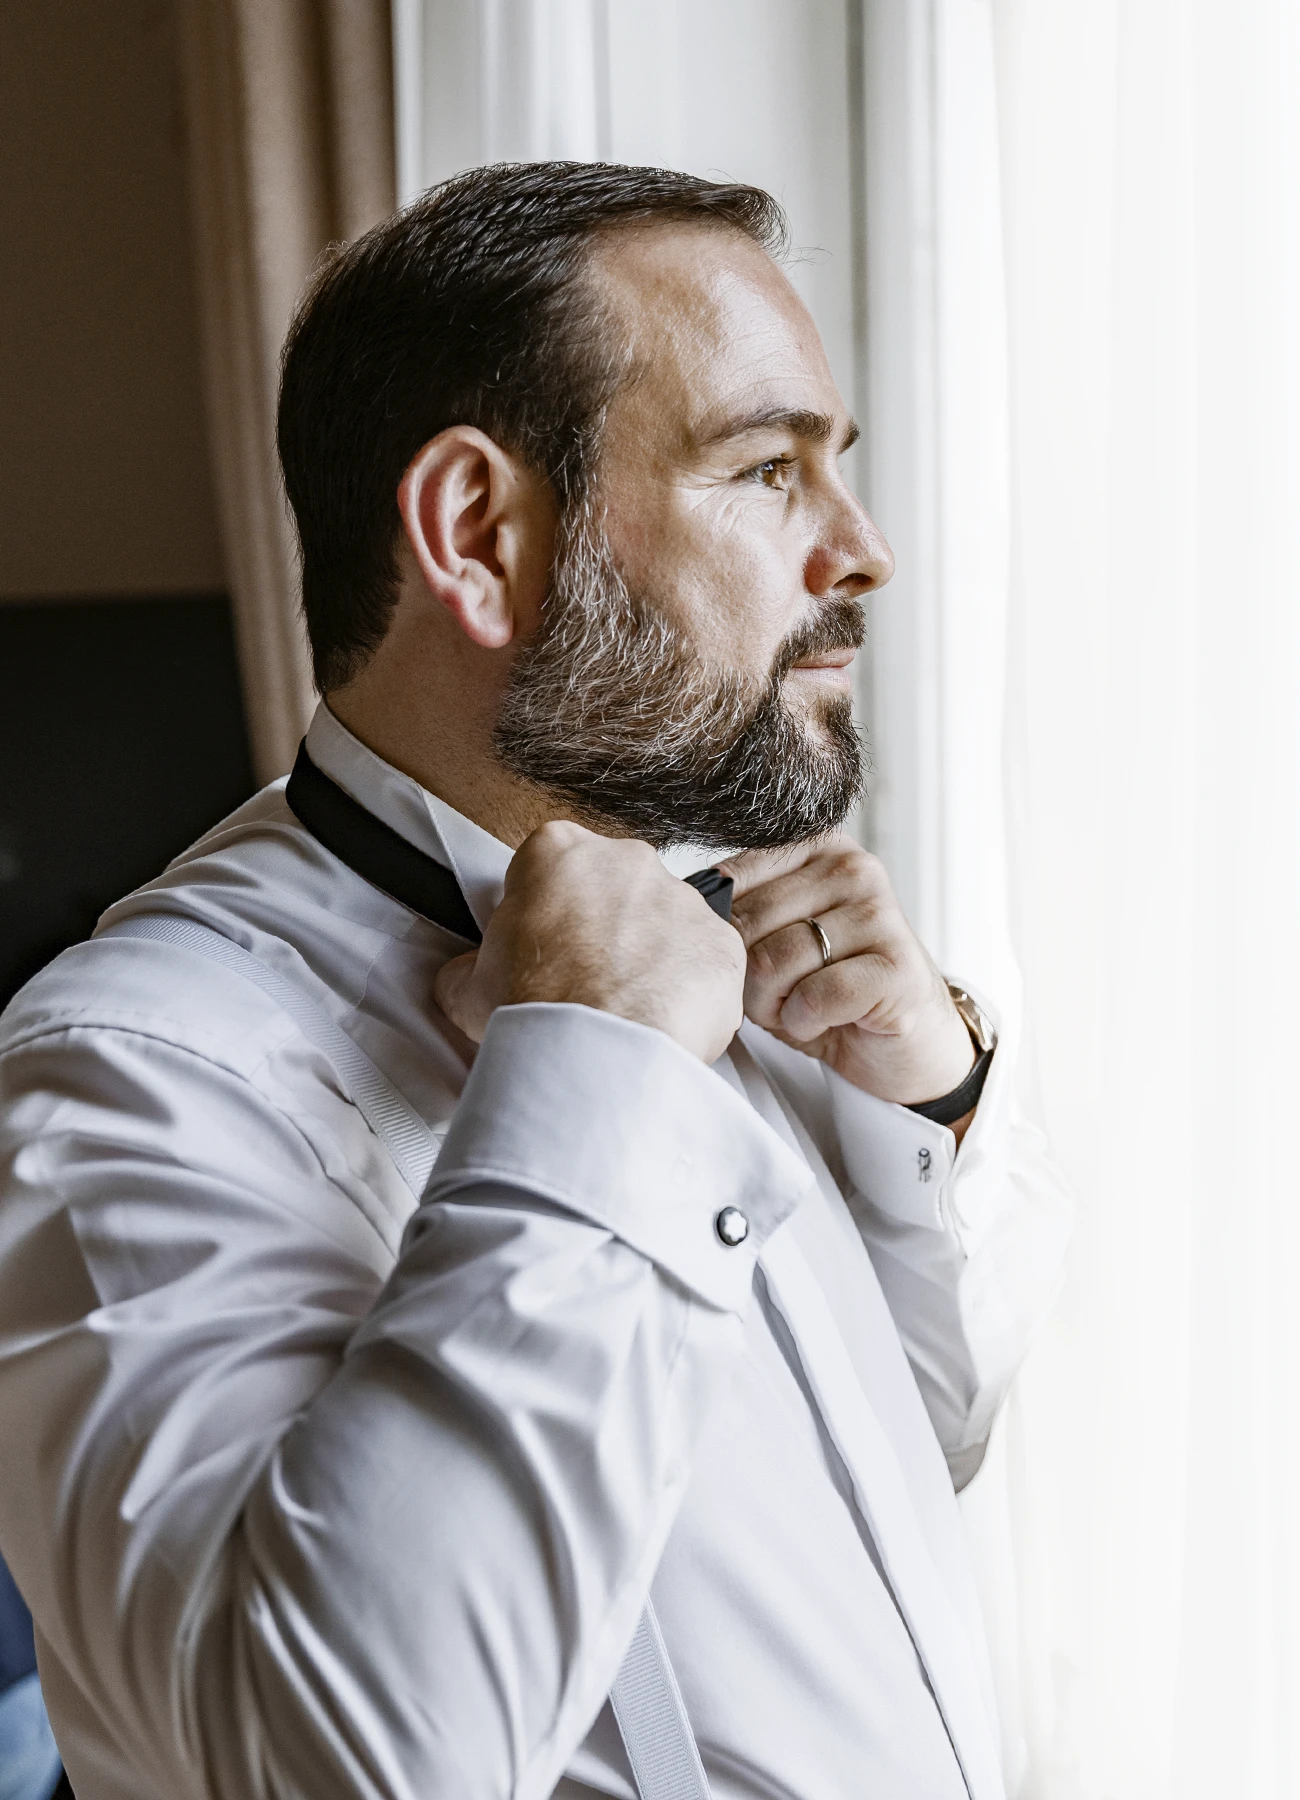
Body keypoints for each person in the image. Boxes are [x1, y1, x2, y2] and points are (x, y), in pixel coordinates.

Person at [0, 162, 1070, 1800]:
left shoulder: (718, 938)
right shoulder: (128, 1069)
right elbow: (334, 1761)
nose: (864, 553)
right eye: (766, 470)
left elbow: (878, 1473)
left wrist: (923, 1112)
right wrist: (592, 1078)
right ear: (479, 536)